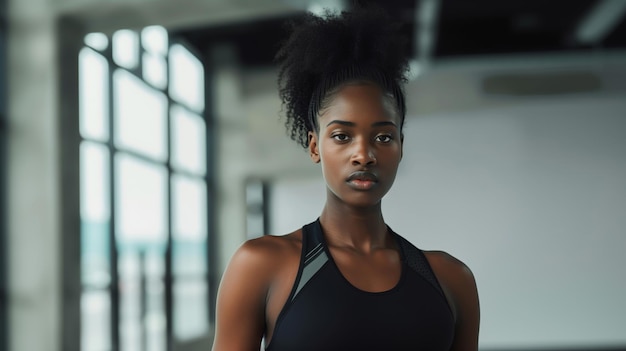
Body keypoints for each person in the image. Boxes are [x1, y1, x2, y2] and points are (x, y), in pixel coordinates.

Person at [212, 6, 480, 351]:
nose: (363, 154)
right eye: (342, 136)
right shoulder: (261, 265)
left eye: (383, 137)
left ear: (400, 147)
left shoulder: (452, 279)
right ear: (314, 146)